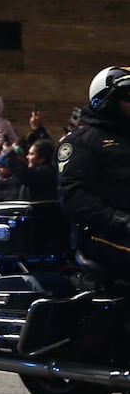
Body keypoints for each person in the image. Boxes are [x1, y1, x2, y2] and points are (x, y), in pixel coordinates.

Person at [57, 67, 130, 280]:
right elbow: (74, 197)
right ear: (106, 100)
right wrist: (121, 220)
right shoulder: (81, 142)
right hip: (101, 236)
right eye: (128, 97)